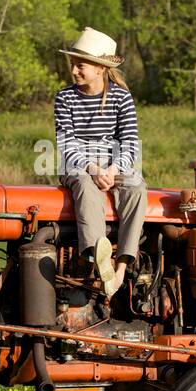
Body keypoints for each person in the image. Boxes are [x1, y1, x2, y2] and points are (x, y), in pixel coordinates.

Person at [54, 27, 146, 299]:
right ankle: (96, 254)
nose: (74, 71)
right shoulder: (65, 98)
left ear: (99, 68)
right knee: (84, 183)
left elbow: (129, 141)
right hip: (79, 164)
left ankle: (119, 269)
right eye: (73, 65)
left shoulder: (121, 98)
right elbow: (66, 142)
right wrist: (92, 168)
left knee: (137, 186)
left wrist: (113, 169)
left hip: (113, 163)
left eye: (80, 66)